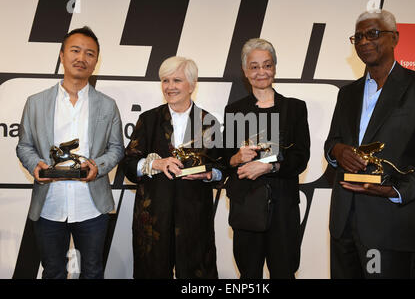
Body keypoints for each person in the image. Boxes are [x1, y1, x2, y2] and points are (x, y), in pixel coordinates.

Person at [324, 10, 415, 278]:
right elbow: (332, 142)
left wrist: (394, 190)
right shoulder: (347, 94)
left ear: (395, 38)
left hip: (391, 222)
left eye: (373, 34)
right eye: (357, 37)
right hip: (343, 222)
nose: (364, 42)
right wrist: (338, 151)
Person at [16, 27, 124, 279]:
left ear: (95, 62)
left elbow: (117, 148)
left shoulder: (108, 105)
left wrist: (98, 165)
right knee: (52, 272)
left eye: (89, 53)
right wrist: (35, 166)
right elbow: (24, 145)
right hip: (49, 205)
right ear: (62, 55)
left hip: (92, 206)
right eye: (75, 50)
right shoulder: (35, 102)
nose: (81, 58)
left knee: (93, 272)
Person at [123, 56, 222, 279]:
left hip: (195, 217)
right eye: (165, 81)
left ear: (192, 84)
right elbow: (128, 165)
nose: (170, 87)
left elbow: (221, 169)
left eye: (176, 80)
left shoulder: (208, 122)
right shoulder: (148, 120)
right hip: (153, 219)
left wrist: (208, 174)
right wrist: (154, 163)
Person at [222, 38, 310, 278]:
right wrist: (236, 157)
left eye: (267, 65)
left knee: (284, 273)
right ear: (245, 71)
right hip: (246, 206)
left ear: (274, 68)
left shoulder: (295, 108)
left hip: (283, 207)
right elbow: (224, 161)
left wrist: (267, 167)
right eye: (254, 66)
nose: (261, 72)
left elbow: (300, 158)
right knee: (249, 275)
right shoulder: (234, 111)